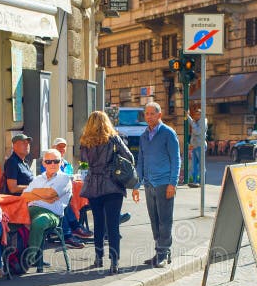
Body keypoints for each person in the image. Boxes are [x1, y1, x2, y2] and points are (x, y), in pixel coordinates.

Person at [79, 111, 135, 274]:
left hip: (93, 185)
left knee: (98, 223)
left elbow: (83, 160)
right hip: (112, 184)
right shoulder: (113, 139)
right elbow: (130, 157)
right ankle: (114, 261)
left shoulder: (85, 141)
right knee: (113, 225)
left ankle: (98, 258)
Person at [132, 101, 181, 268]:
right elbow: (141, 161)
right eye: (146, 114)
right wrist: (137, 184)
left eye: (152, 113)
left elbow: (176, 159)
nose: (149, 117)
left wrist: (172, 184)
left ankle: (163, 252)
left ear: (159, 115)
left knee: (165, 220)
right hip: (149, 184)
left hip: (164, 183)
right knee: (154, 220)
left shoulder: (168, 133)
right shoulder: (144, 136)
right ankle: (160, 251)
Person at [22, 149, 73, 268]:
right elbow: (24, 195)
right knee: (9, 219)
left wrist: (35, 193)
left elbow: (51, 194)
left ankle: (30, 258)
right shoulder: (38, 178)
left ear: (61, 162)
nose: (53, 164)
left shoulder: (64, 178)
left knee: (39, 222)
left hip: (52, 214)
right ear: (44, 163)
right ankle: (8, 259)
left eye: (56, 161)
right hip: (30, 209)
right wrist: (44, 195)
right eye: (49, 161)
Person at [51, 137, 90, 247]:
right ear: (53, 148)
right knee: (63, 202)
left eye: (64, 147)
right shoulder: (49, 160)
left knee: (68, 200)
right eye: (59, 147)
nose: (62, 149)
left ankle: (75, 228)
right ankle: (70, 233)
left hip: (64, 192)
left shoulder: (66, 163)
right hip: (52, 193)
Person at [187, 106, 207, 187]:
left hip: (200, 146)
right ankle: (195, 181)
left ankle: (201, 181)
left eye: (198, 114)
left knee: (201, 165)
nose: (196, 116)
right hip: (195, 146)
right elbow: (192, 123)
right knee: (194, 165)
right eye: (195, 114)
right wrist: (188, 116)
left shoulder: (203, 122)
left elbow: (197, 131)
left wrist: (193, 122)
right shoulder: (196, 121)